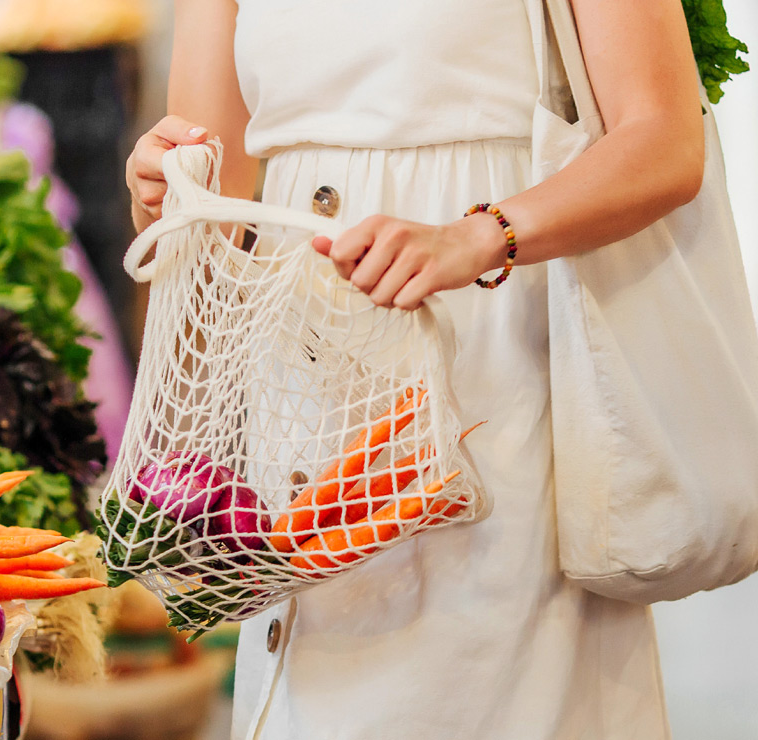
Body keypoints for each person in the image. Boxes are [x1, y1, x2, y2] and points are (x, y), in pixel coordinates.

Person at [125, 1, 707, 738]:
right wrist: (161, 186)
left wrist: (480, 236)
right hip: (303, 405)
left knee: (498, 684)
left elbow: (665, 137)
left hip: (493, 367)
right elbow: (213, 193)